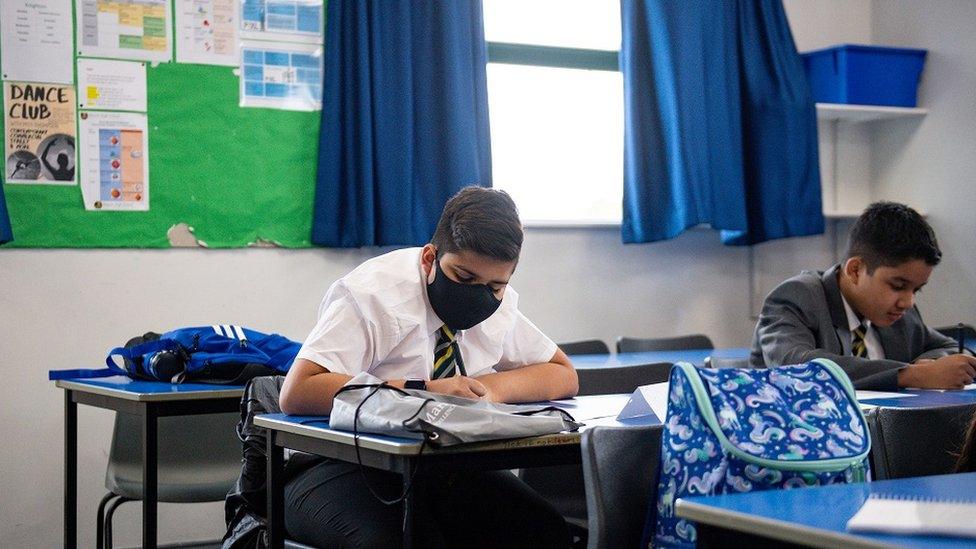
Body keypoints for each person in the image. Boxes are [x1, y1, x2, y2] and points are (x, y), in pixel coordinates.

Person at [279, 186, 578, 548]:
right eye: (464, 278)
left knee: (542, 532)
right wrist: (425, 391)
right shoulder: (372, 295)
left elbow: (562, 373)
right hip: (336, 467)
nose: (480, 294)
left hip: (438, 468)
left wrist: (488, 389)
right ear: (429, 258)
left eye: (496, 286)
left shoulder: (500, 303)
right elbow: (297, 391)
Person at [750, 201, 976, 391]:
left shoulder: (900, 314)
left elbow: (954, 347)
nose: (908, 302)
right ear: (855, 270)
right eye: (898, 285)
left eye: (917, 289)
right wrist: (909, 375)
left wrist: (929, 367)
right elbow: (794, 367)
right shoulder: (797, 297)